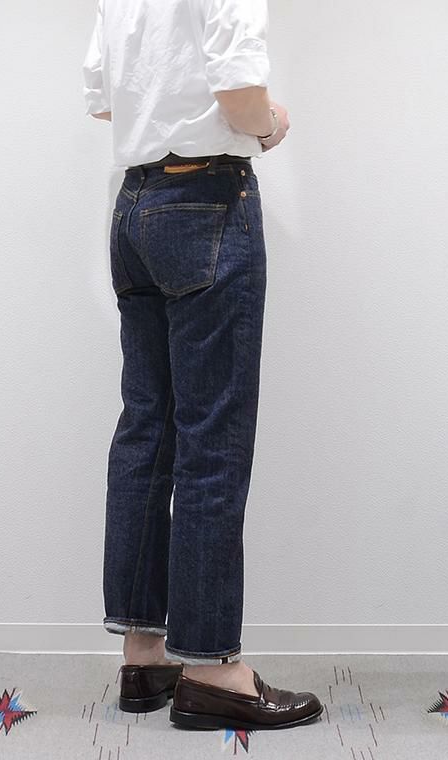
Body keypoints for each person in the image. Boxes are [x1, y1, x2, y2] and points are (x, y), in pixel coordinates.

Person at [82, 0, 322, 731]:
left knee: (147, 431)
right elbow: (239, 90)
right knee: (211, 438)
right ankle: (215, 670)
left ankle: (144, 655)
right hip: (206, 198)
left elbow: (103, 99)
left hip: (134, 206)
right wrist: (269, 124)